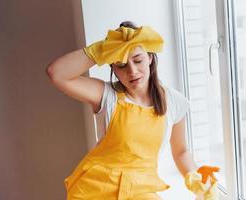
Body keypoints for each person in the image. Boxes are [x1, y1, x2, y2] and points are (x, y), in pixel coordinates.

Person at [46, 21, 219, 200]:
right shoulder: (107, 95)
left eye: (138, 60)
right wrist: (102, 49)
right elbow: (56, 73)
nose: (132, 71)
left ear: (150, 57)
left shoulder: (174, 101)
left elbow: (181, 151)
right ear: (112, 66)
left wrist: (194, 177)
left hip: (140, 191)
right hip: (95, 189)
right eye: (121, 64)